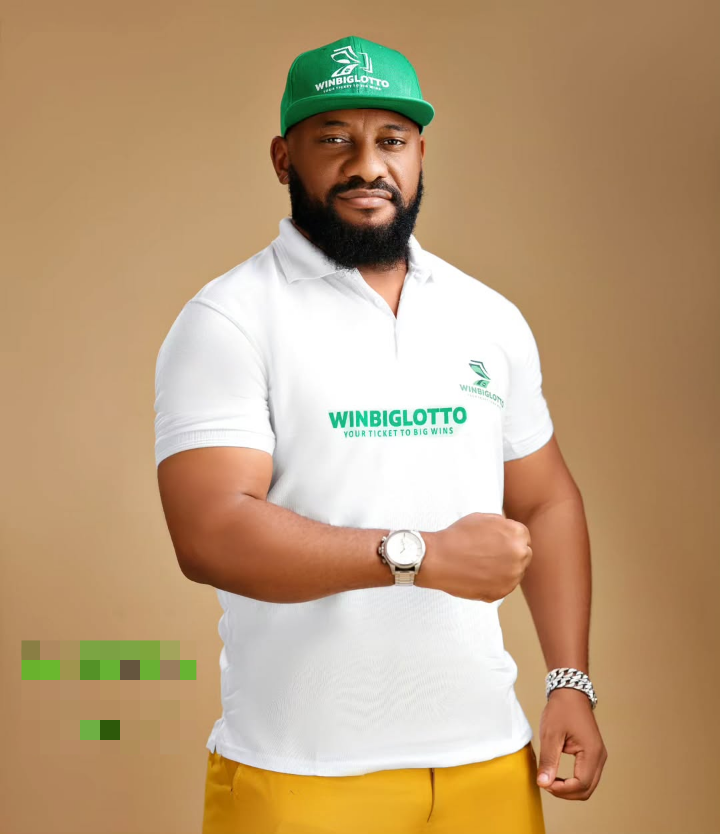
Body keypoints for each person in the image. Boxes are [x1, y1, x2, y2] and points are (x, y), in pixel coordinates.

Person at [154, 34, 607, 834]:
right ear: (284, 158)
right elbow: (210, 532)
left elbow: (545, 500)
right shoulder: (229, 318)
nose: (368, 166)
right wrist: (419, 556)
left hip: (488, 762)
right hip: (300, 772)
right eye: (335, 139)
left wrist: (569, 679)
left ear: (420, 155)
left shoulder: (486, 316)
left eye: (391, 140)